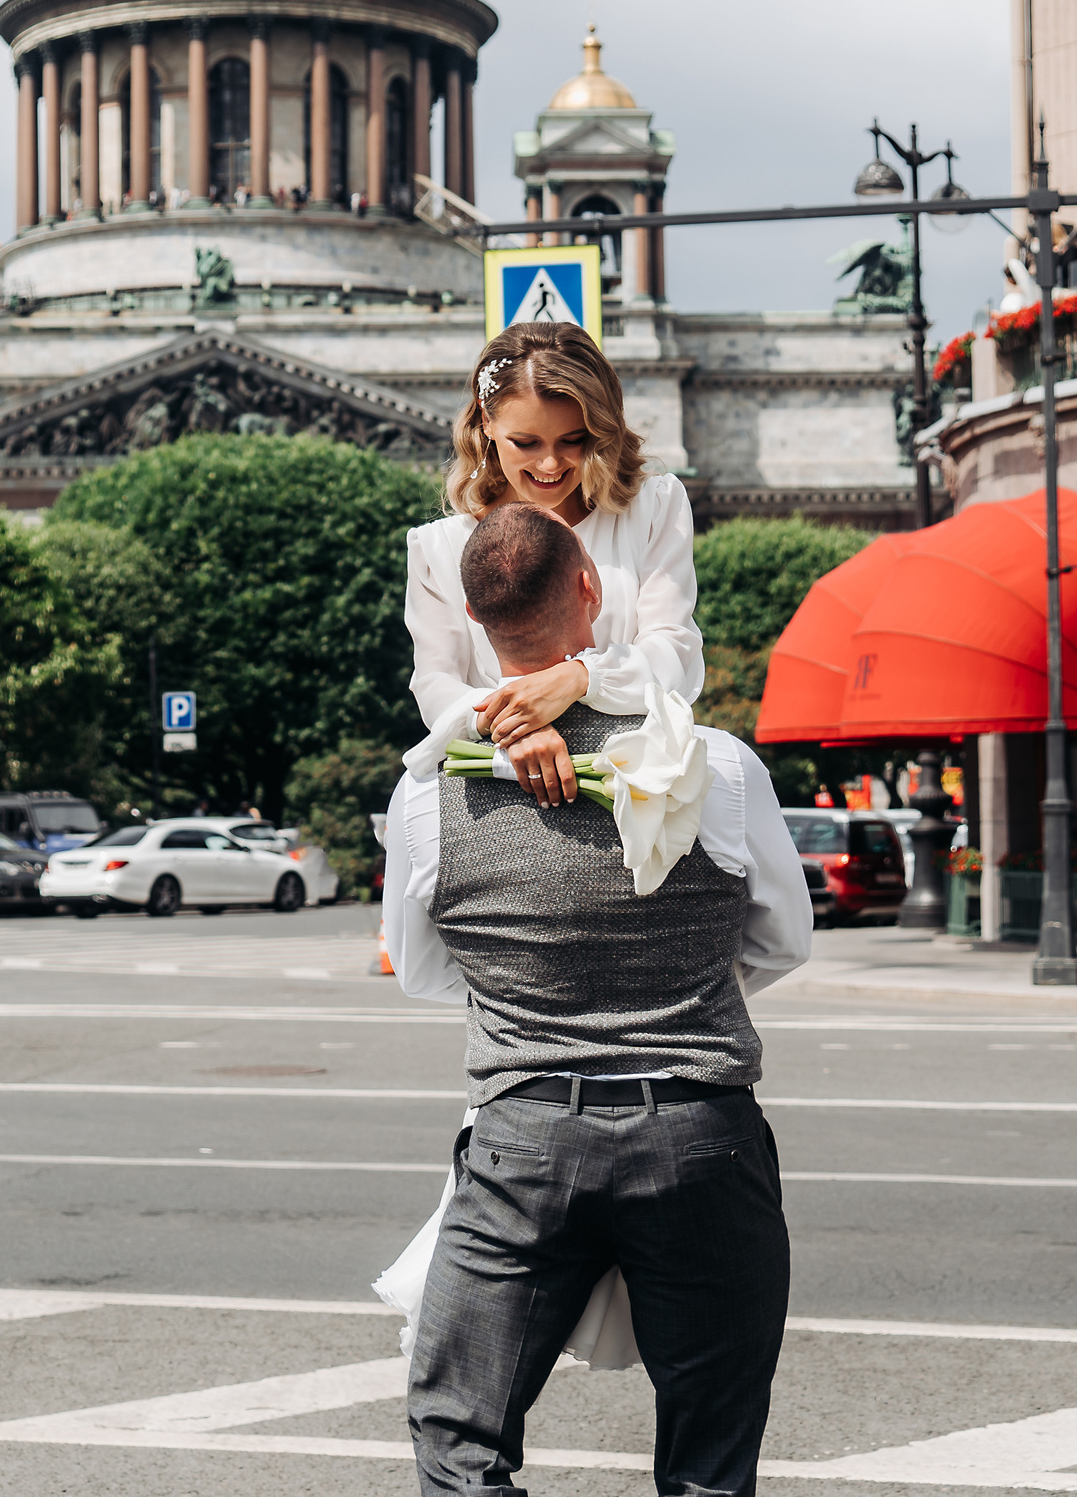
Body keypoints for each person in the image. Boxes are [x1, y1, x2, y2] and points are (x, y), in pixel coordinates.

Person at [382, 505, 810, 1495]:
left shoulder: (429, 794)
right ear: (590, 589)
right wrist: (679, 984)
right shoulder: (719, 769)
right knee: (709, 1459)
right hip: (701, 1137)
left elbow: (425, 973)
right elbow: (782, 941)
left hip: (523, 1141)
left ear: (477, 620)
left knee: (459, 1435)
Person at [403, 321, 702, 804]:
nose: (550, 464)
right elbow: (435, 685)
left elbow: (676, 654)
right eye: (527, 443)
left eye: (574, 440)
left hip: (648, 781)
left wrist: (579, 678)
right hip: (501, 786)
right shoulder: (438, 548)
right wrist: (515, 729)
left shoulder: (653, 507)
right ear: (486, 422)